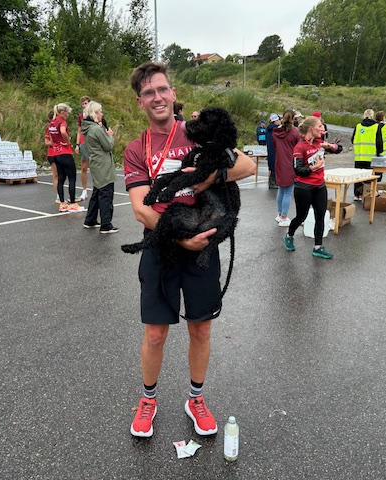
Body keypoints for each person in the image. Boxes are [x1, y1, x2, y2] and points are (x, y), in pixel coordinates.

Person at [123, 61, 255, 438]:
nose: (157, 97)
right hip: (162, 245)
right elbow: (141, 209)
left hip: (203, 246)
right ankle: (148, 399)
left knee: (201, 329)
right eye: (148, 92)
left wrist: (207, 178)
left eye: (162, 89)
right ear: (140, 102)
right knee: (155, 334)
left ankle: (196, 398)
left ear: (173, 93)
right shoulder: (136, 149)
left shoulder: (198, 134)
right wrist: (179, 238)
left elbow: (247, 165)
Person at [283, 115, 343, 259]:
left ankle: (318, 247)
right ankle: (289, 235)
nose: (322, 129)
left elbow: (339, 149)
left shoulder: (319, 143)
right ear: (311, 129)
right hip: (304, 187)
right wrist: (313, 167)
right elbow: (298, 170)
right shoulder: (300, 147)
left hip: (319, 186)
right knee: (301, 216)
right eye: (320, 126)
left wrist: (330, 146)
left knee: (320, 216)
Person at [81, 101, 118, 233]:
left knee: (97, 192)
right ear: (95, 114)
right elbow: (108, 146)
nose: (102, 114)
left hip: (95, 163)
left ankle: (90, 219)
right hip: (103, 165)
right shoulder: (96, 130)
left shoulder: (88, 128)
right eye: (100, 111)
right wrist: (110, 136)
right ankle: (106, 224)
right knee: (106, 194)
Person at [47, 103, 79, 212]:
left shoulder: (51, 123)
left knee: (61, 178)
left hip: (56, 153)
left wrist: (55, 144)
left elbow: (51, 138)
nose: (67, 115)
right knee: (72, 178)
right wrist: (67, 142)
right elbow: (62, 131)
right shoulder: (62, 122)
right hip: (65, 152)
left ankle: (62, 203)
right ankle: (73, 203)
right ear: (62, 112)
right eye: (67, 113)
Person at [272, 109, 300, 227]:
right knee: (288, 192)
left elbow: (274, 147)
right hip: (290, 163)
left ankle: (279, 214)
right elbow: (299, 147)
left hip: (279, 162)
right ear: (293, 118)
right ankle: (284, 217)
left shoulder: (276, 132)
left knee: (281, 190)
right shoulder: (295, 132)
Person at [351, 109, 380, 201]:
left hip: (359, 156)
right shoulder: (376, 126)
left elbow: (352, 139)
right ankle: (366, 194)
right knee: (369, 177)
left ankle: (357, 195)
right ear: (372, 115)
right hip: (371, 157)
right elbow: (379, 142)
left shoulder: (358, 126)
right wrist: (379, 153)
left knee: (358, 177)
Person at [75, 96, 92, 202]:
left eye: (86, 103)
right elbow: (79, 130)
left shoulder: (93, 114)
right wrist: (77, 144)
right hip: (83, 143)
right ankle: (84, 190)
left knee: (96, 166)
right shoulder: (80, 116)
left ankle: (98, 188)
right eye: (83, 104)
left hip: (93, 143)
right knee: (84, 167)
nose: (84, 105)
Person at [44, 110, 60, 203]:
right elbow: (46, 142)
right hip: (52, 153)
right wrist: (56, 143)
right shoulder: (49, 128)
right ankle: (58, 195)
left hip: (62, 153)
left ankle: (70, 193)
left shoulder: (62, 126)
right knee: (56, 175)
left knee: (65, 174)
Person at [266, 114, 281, 189]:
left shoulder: (268, 129)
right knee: (275, 166)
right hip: (275, 149)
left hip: (270, 149)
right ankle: (272, 183)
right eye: (278, 120)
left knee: (272, 165)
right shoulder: (276, 129)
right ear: (275, 121)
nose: (280, 121)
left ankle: (272, 182)